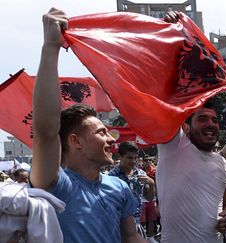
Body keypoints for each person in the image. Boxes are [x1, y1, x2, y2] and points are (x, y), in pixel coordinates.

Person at [29, 8, 147, 242]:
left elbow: (130, 237)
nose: (112, 140)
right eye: (102, 133)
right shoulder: (56, 186)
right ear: (76, 141)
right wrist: (51, 48)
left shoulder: (119, 188)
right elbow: (45, 133)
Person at [156, 98, 226, 243]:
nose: (210, 124)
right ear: (186, 128)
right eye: (202, 119)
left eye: (214, 120)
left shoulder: (223, 164)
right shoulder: (173, 146)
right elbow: (163, 105)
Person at [109, 141, 157, 242]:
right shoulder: (111, 177)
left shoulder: (140, 173)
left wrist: (151, 184)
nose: (133, 161)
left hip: (137, 224)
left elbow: (148, 198)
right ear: (119, 156)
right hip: (118, 226)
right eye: (129, 158)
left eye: (135, 158)